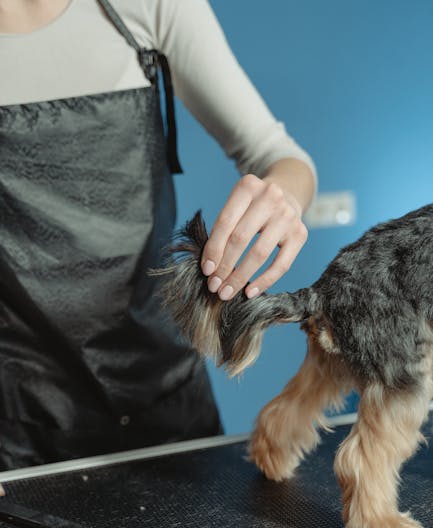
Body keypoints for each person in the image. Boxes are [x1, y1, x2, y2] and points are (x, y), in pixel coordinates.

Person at [0, 0, 316, 472]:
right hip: (16, 423)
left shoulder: (151, 6)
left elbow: (278, 155)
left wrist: (283, 197)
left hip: (166, 399)